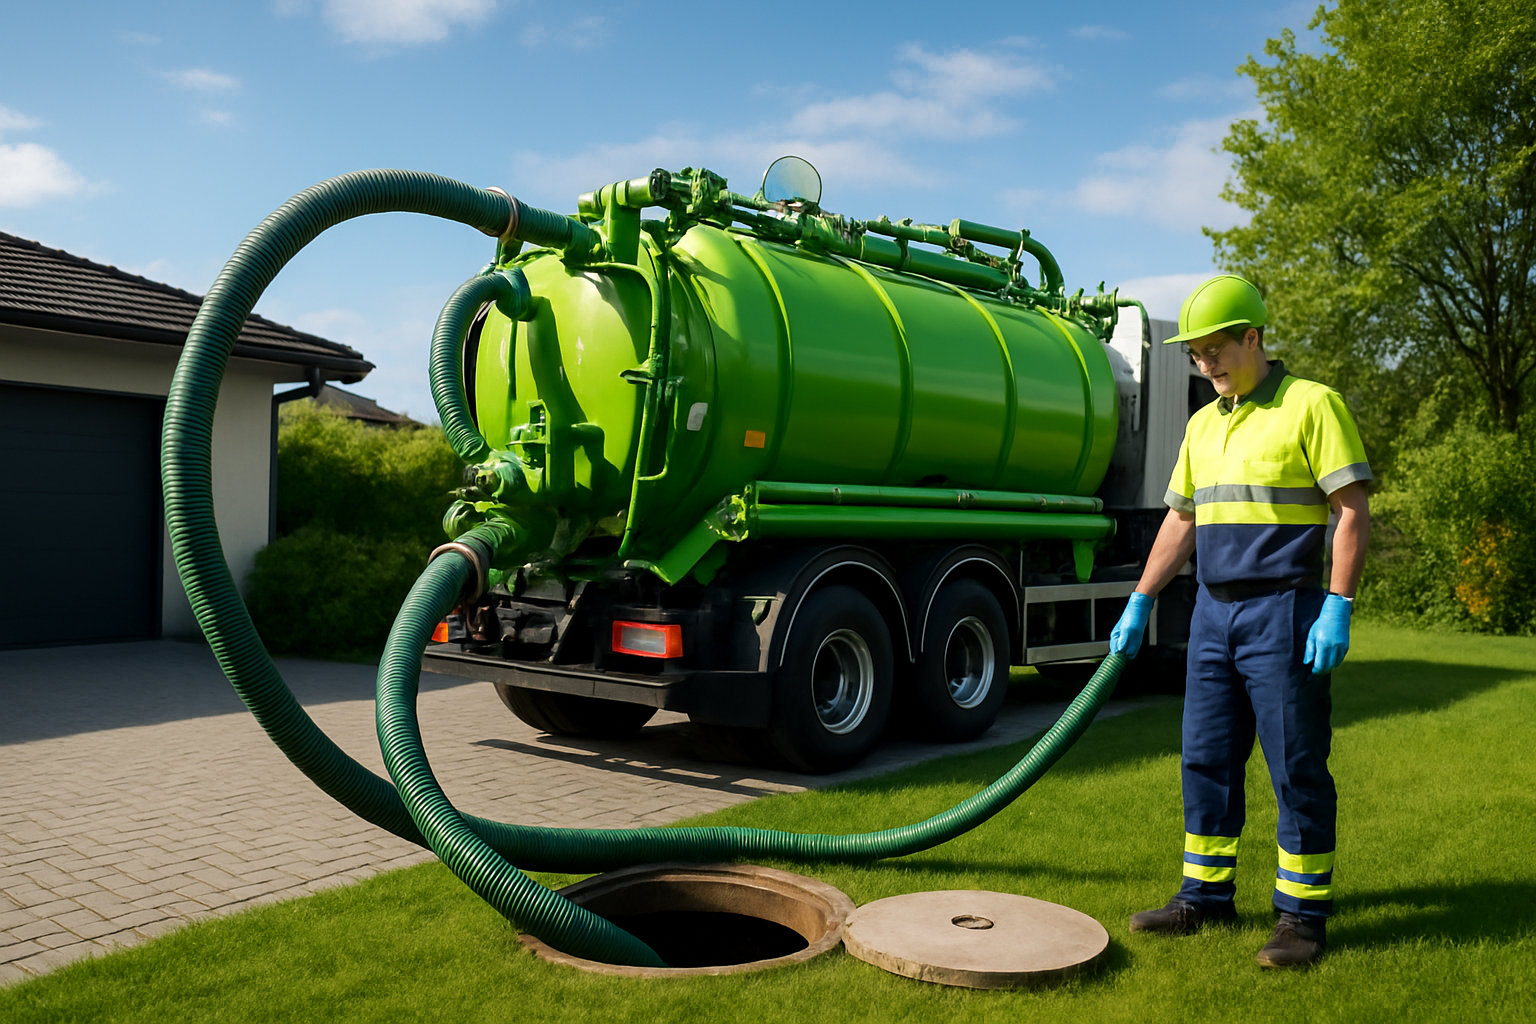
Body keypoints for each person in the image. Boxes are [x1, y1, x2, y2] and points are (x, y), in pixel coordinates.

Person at [1108, 275, 1371, 969]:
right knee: (1206, 758)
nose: (1207, 365)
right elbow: (1181, 518)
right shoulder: (1203, 423)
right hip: (1212, 614)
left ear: (1253, 337)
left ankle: (1301, 917)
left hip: (1285, 610)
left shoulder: (1312, 406)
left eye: (1216, 350)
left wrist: (1337, 606)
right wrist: (1141, 597)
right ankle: (1204, 897)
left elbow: (1350, 509)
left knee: (1295, 765)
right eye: (1196, 356)